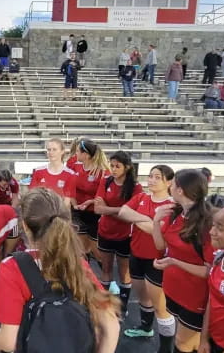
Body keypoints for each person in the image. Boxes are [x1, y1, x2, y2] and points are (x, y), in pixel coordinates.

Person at [0, 188, 120, 352]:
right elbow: (111, 322)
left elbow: (8, 342)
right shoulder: (76, 262)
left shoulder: (12, 267)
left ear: (25, 226)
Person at [151, 169, 215, 353]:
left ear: (180, 190)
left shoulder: (207, 224)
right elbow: (161, 245)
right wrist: (156, 221)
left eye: (173, 184)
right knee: (185, 340)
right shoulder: (176, 213)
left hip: (195, 297)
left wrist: (174, 262)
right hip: (175, 289)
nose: (169, 186)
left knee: (183, 343)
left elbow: (209, 270)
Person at [118, 165, 176, 353]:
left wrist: (138, 220)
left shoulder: (172, 206)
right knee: (142, 296)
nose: (151, 180)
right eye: (150, 176)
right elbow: (122, 213)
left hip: (157, 261)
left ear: (168, 182)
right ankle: (146, 328)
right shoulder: (142, 197)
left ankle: (166, 347)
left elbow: (160, 234)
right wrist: (148, 221)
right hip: (137, 254)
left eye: (157, 177)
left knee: (161, 307)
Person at [94, 151, 143, 315]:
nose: (113, 169)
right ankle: (106, 304)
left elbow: (130, 216)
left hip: (125, 235)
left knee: (124, 272)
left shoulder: (136, 188)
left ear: (127, 167)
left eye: (117, 166)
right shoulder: (106, 182)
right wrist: (121, 210)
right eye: (112, 165)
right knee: (106, 268)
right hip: (105, 232)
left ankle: (123, 307)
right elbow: (97, 208)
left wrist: (108, 210)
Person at [70, 139, 110, 264]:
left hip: (94, 213)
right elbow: (69, 188)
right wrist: (74, 204)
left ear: (85, 155)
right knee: (81, 250)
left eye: (77, 151)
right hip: (77, 211)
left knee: (96, 250)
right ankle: (85, 278)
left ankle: (106, 277)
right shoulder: (74, 165)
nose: (75, 154)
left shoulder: (102, 171)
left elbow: (102, 196)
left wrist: (89, 202)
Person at [199, 207, 224, 353]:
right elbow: (212, 300)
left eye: (220, 228)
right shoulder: (220, 257)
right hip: (213, 339)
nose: (211, 232)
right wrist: (204, 338)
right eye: (213, 225)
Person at [29, 138, 75, 207]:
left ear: (62, 151)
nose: (51, 152)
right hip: (41, 212)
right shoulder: (38, 171)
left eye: (54, 149)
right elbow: (32, 195)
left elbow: (67, 202)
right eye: (49, 150)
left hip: (59, 214)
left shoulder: (70, 174)